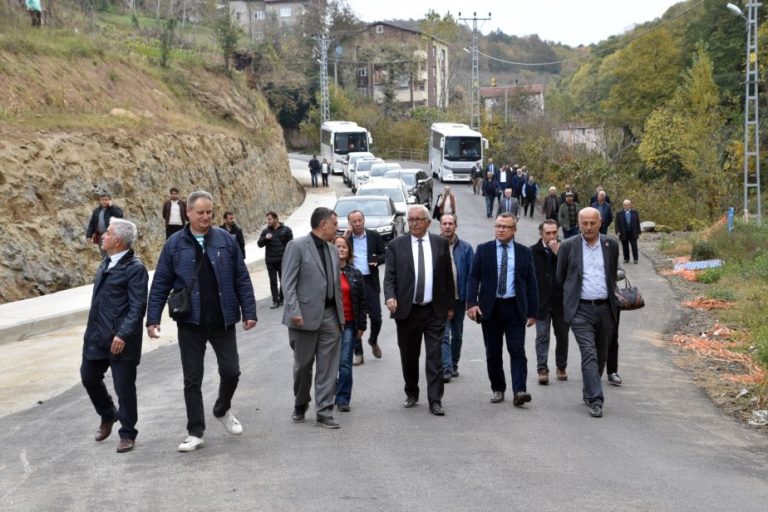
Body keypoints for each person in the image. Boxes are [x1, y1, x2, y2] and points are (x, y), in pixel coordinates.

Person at [147, 190, 258, 452]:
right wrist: (153, 318)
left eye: (209, 212)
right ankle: (195, 432)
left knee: (231, 372)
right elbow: (161, 282)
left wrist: (249, 311)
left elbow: (241, 277)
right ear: (188, 213)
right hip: (190, 322)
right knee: (192, 379)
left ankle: (222, 409)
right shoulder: (174, 244)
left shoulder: (226, 240)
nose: (206, 217)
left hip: (222, 319)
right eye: (200, 212)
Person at [81, 218, 148, 454]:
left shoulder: (135, 269)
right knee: (89, 377)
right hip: (97, 336)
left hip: (121, 340)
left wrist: (123, 335)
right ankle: (108, 414)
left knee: (124, 388)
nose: (103, 236)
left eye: (107, 233)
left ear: (118, 241)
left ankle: (127, 433)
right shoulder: (105, 263)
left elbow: (137, 307)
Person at [384, 205, 455, 416]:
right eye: (411, 219)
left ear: (428, 222)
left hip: (434, 310)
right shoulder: (396, 245)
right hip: (408, 311)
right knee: (409, 356)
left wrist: (450, 305)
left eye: (418, 219)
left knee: (435, 356)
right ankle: (412, 391)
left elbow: (447, 277)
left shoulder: (440, 243)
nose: (414, 223)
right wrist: (390, 296)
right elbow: (389, 276)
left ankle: (435, 400)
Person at [281, 207, 344, 429]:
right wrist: (294, 310)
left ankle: (324, 411)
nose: (337, 228)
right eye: (334, 224)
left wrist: (340, 316)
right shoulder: (297, 246)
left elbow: (336, 286)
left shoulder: (333, 250)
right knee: (303, 366)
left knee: (328, 367)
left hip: (330, 316)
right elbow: (287, 283)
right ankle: (301, 402)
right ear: (322, 224)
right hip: (303, 316)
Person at [466, 213, 538, 406]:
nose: (501, 230)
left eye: (505, 227)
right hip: (491, 309)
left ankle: (519, 390)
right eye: (498, 226)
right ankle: (498, 388)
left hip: (515, 308)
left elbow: (531, 283)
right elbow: (473, 277)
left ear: (514, 230)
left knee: (517, 351)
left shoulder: (524, 252)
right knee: (493, 352)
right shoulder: (484, 250)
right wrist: (471, 303)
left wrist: (533, 312)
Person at [556, 207, 620, 418]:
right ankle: (595, 399)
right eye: (585, 223)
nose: (589, 227)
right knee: (589, 353)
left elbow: (612, 274)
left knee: (600, 356)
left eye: (593, 223)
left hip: (605, 308)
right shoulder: (568, 246)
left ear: (600, 223)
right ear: (579, 224)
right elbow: (561, 277)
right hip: (580, 309)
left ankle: (589, 389)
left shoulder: (611, 245)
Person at [344, 210, 386, 365]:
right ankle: (358, 353)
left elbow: (384, 254)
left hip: (369, 280)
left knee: (376, 317)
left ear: (364, 220)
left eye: (359, 220)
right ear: (349, 223)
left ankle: (373, 340)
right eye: (354, 221)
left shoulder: (374, 236)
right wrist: (346, 235)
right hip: (352, 279)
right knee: (354, 317)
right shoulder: (347, 238)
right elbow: (337, 251)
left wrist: (377, 260)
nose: (357, 223)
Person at [530, 220, 569, 384]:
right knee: (542, 336)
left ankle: (561, 366)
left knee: (562, 336)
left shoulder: (565, 249)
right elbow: (527, 279)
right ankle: (542, 369)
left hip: (561, 302)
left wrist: (559, 254)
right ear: (541, 234)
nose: (552, 236)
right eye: (548, 233)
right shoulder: (532, 251)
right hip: (541, 302)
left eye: (554, 233)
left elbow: (572, 272)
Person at [333, 236, 367, 411]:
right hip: (329, 324)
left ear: (349, 251)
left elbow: (362, 301)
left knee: (345, 361)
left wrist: (362, 325)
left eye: (344, 247)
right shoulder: (325, 272)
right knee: (330, 363)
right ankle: (332, 389)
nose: (341, 249)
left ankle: (343, 398)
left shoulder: (355, 273)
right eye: (337, 246)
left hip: (349, 324)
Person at [439, 214, 474, 382]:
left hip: (459, 299)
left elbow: (473, 275)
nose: (447, 226)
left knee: (457, 336)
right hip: (441, 300)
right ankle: (446, 368)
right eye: (444, 223)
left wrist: (471, 300)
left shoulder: (466, 248)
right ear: (440, 226)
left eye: (450, 223)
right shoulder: (434, 245)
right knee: (444, 335)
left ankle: (453, 364)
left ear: (455, 226)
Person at [257, 212, 293, 309]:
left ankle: (281, 299)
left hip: (282, 260)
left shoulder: (286, 230)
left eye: (270, 219)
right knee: (273, 281)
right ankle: (275, 300)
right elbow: (259, 244)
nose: (268, 221)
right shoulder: (266, 231)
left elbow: (291, 245)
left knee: (283, 280)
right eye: (267, 219)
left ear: (276, 219)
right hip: (270, 261)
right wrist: (265, 238)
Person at [615, 199, 641, 264]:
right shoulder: (619, 213)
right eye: (625, 205)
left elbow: (637, 222)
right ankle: (626, 258)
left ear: (630, 205)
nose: (626, 206)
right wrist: (617, 231)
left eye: (627, 205)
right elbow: (617, 223)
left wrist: (638, 231)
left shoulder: (634, 212)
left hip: (633, 232)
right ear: (623, 205)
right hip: (623, 232)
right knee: (625, 246)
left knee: (634, 246)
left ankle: (635, 259)